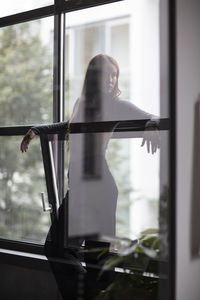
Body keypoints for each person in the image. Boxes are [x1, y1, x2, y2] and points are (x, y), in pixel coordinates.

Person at [20, 53, 159, 243]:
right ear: (94, 77)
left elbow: (154, 117)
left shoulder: (116, 105)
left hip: (100, 188)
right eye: (106, 74)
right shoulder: (81, 103)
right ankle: (82, 275)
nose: (111, 80)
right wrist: (35, 130)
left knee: (95, 255)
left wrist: (150, 125)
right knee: (56, 247)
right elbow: (68, 125)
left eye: (114, 75)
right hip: (78, 187)